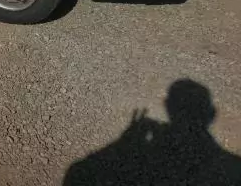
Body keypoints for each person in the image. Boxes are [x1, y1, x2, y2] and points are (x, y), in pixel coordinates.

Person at [63, 79, 241, 185]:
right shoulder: (232, 166)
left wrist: (125, 140)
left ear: (167, 105)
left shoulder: (79, 169)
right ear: (211, 113)